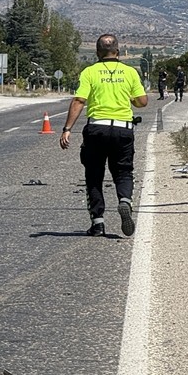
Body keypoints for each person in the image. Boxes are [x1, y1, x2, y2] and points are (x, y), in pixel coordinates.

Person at [59, 34, 148, 237]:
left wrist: (67, 129)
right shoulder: (130, 72)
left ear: (97, 52)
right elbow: (142, 101)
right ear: (118, 51)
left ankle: (98, 223)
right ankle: (124, 201)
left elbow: (79, 101)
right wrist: (130, 100)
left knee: (94, 175)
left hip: (96, 129)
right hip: (123, 129)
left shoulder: (90, 72)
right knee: (123, 172)